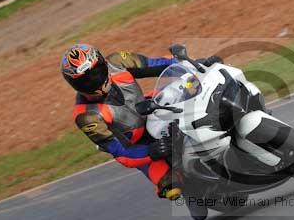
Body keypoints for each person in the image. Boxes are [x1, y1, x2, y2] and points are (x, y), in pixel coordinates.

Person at [60, 43, 219, 201]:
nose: (94, 82)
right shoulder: (86, 116)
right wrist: (150, 151)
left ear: (103, 64)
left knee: (192, 90)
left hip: (152, 109)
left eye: (96, 73)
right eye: (85, 81)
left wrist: (189, 65)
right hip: (138, 144)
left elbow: (154, 64)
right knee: (171, 186)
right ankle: (197, 195)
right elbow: (120, 151)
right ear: (74, 85)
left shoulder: (117, 62)